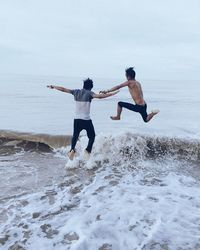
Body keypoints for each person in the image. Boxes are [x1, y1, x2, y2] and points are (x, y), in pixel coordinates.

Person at [47, 78, 119, 160]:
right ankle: (87, 150)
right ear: (90, 87)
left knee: (75, 135)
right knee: (92, 137)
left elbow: (63, 89)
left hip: (77, 120)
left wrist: (53, 86)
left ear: (83, 85)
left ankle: (72, 149)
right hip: (86, 120)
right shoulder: (89, 93)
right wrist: (112, 94)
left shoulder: (76, 92)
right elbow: (99, 96)